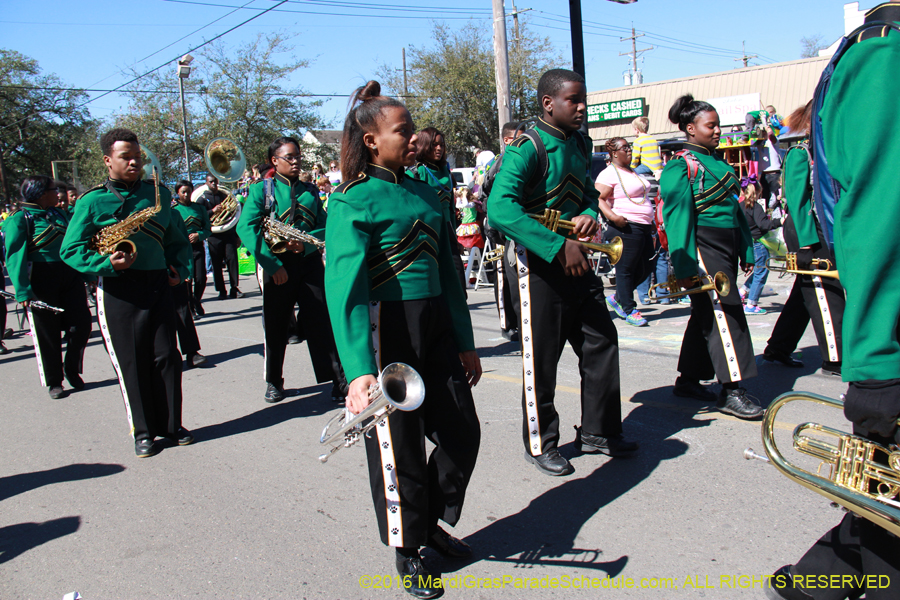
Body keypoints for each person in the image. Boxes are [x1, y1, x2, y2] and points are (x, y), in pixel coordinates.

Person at [325, 81, 482, 600]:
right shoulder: (351, 200)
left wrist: (465, 341)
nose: (413, 138)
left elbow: (450, 274)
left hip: (435, 324)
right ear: (371, 141)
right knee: (399, 449)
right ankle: (408, 547)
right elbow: (344, 291)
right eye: (403, 130)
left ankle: (427, 518)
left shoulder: (424, 191)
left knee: (462, 433)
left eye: (413, 129)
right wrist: (358, 368)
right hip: (385, 329)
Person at [766, 4, 900, 598]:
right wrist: (877, 367)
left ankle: (818, 581)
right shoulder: (887, 51)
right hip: (850, 277)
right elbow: (877, 216)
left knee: (881, 513)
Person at [489, 68, 639, 477]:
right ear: (548, 104)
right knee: (543, 359)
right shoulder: (526, 148)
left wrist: (589, 217)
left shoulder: (580, 142)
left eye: (583, 99)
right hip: (538, 264)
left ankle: (599, 430)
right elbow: (500, 210)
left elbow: (589, 194)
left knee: (601, 341)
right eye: (574, 100)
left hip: (576, 255)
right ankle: (541, 443)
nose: (582, 107)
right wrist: (558, 246)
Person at [60, 127, 194, 458]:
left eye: (138, 157)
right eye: (126, 157)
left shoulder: (158, 195)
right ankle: (144, 431)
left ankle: (171, 425)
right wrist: (106, 263)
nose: (135, 162)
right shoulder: (92, 201)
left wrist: (181, 270)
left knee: (167, 357)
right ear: (108, 160)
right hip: (118, 289)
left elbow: (177, 241)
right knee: (131, 362)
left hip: (158, 284)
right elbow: (70, 249)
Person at [660, 94, 763, 420]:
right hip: (701, 245)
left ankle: (689, 380)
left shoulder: (717, 162)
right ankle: (732, 390)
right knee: (726, 313)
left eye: (718, 124)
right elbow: (677, 219)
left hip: (726, 243)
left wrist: (745, 247)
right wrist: (685, 265)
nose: (718, 130)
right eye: (711, 125)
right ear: (691, 129)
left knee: (708, 312)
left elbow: (734, 210)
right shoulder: (680, 165)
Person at [236, 136, 347, 404]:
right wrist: (272, 265)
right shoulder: (261, 191)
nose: (296, 161)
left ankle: (337, 381)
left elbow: (325, 226)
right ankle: (274, 381)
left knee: (322, 322)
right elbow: (245, 229)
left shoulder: (310, 190)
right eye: (290, 157)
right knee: (276, 326)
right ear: (274, 161)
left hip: (308, 265)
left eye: (298, 156)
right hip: (278, 267)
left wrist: (306, 246)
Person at [763, 101, 844, 376]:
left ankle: (778, 348)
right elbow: (797, 202)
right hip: (806, 230)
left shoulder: (825, 150)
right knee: (825, 292)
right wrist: (808, 242)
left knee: (805, 294)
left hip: (821, 229)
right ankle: (835, 359)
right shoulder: (801, 152)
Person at [3, 175, 92, 398]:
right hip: (41, 279)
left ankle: (71, 368)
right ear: (42, 194)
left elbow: (75, 245)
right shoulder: (20, 218)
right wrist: (22, 290)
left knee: (81, 326)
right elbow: (14, 256)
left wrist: (88, 273)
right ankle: (55, 381)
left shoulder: (58, 213)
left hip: (70, 276)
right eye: (54, 190)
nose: (59, 194)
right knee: (47, 333)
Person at [596, 136, 655, 327]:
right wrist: (613, 217)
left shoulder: (631, 172)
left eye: (629, 147)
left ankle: (619, 297)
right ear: (614, 153)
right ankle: (629, 309)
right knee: (625, 269)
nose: (629, 151)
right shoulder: (608, 174)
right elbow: (599, 199)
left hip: (643, 227)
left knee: (646, 267)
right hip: (625, 226)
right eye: (625, 148)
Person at [409, 126, 467, 295]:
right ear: (424, 146)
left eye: (441, 144)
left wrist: (455, 237)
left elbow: (450, 207)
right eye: (434, 145)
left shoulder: (447, 172)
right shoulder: (417, 172)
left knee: (457, 283)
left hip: (448, 233)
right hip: (426, 235)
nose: (439, 148)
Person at [480, 120, 521, 342]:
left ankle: (522, 320)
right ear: (508, 140)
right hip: (497, 232)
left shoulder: (520, 159)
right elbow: (486, 192)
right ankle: (508, 324)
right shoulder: (501, 162)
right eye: (521, 137)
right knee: (502, 276)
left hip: (515, 229)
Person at [738, 176, 782, 315]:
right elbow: (763, 225)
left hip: (748, 243)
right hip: (759, 243)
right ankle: (751, 304)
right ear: (757, 191)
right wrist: (779, 221)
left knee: (758, 271)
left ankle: (743, 291)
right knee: (761, 272)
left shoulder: (740, 206)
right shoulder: (755, 206)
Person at [196, 174, 242, 300]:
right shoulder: (202, 199)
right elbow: (199, 215)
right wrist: (212, 211)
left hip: (228, 234)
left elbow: (234, 215)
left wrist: (237, 235)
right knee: (216, 265)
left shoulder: (225, 195)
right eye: (211, 182)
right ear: (206, 183)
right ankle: (221, 290)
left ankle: (234, 287)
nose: (214, 185)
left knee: (232, 261)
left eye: (216, 182)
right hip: (213, 235)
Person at [172, 180, 212, 317]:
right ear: (178, 193)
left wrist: (199, 235)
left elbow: (208, 229)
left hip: (197, 247)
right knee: (187, 278)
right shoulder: (174, 210)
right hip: (182, 249)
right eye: (183, 192)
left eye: (189, 192)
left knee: (201, 278)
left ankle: (196, 300)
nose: (186, 195)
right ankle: (189, 306)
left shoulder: (199, 208)